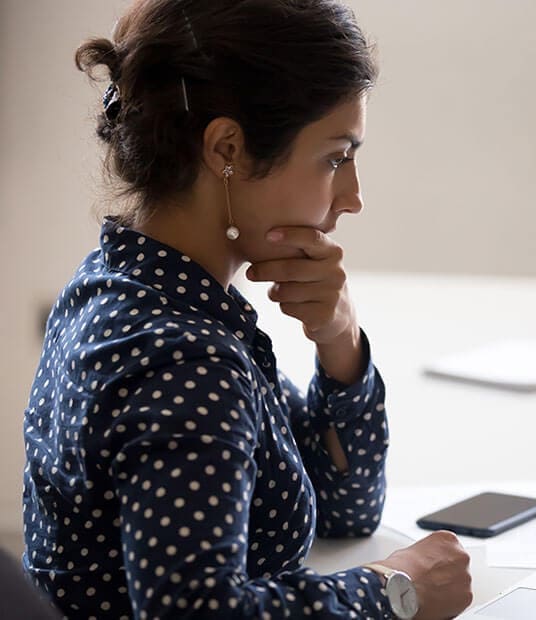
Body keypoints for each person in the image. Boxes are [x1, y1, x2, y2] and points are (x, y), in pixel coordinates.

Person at [21, 1, 472, 618]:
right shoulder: (183, 360)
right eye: (336, 156)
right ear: (226, 147)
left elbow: (345, 509)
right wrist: (397, 590)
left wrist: (339, 340)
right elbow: (199, 613)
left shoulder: (130, 284)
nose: (354, 197)